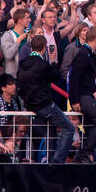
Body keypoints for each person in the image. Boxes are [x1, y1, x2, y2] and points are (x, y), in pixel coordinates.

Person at [18, 34, 75, 164]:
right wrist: (54, 61)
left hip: (30, 104)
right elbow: (55, 76)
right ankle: (57, 161)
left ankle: (50, 160)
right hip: (44, 104)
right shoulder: (42, 64)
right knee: (69, 128)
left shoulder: (22, 64)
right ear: (44, 48)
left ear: (31, 47)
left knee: (51, 130)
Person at [67, 24, 96, 162]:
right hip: (83, 96)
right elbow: (74, 78)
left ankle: (86, 156)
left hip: (86, 95)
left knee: (91, 126)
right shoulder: (83, 54)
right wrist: (74, 100)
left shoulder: (88, 53)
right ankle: (84, 153)